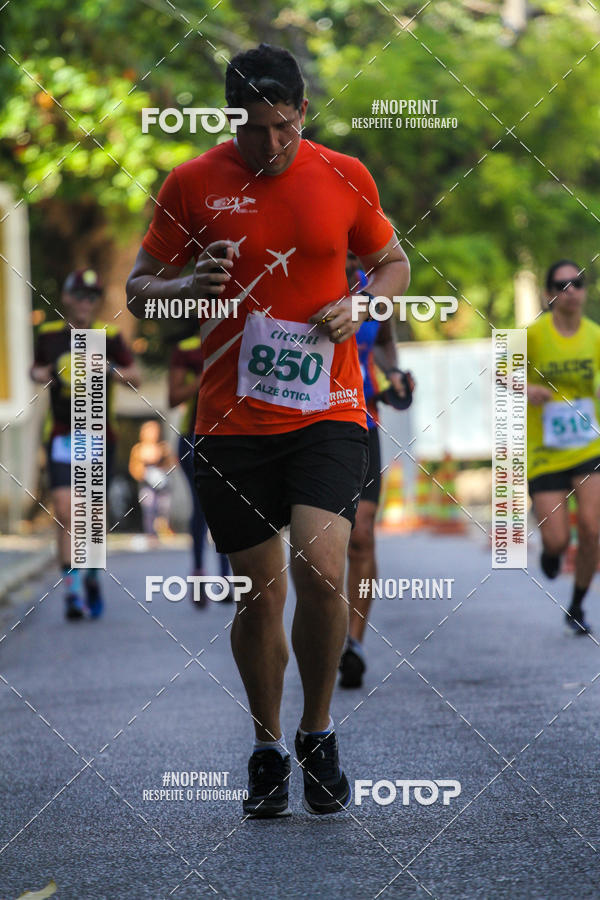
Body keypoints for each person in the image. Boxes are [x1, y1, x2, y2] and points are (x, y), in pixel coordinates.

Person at [126, 43, 410, 817]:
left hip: (328, 410)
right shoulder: (191, 184)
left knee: (323, 568)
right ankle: (265, 742)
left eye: (284, 126)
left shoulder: (345, 174)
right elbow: (139, 291)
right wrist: (185, 285)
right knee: (260, 593)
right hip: (229, 425)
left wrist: (365, 305)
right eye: (254, 130)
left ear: (304, 111)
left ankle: (318, 735)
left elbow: (391, 262)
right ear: (230, 121)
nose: (271, 145)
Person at [30, 269, 140, 619]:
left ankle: (91, 573)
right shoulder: (49, 335)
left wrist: (108, 370)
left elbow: (134, 374)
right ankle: (73, 591)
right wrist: (46, 374)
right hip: (61, 433)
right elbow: (35, 369)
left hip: (97, 433)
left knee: (92, 515)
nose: (85, 302)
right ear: (66, 297)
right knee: (65, 510)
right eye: (80, 294)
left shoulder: (106, 335)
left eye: (92, 296)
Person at [340, 252, 415, 688]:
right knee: (321, 546)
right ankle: (324, 633)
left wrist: (394, 374)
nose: (355, 260)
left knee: (362, 534)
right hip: (308, 427)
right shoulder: (304, 275)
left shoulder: (373, 286)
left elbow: (383, 340)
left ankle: (354, 642)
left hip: (361, 421)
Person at [527, 259, 600, 635]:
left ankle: (576, 604)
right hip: (545, 450)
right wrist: (526, 388)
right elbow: (501, 371)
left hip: (589, 445)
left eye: (578, 283)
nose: (570, 291)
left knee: (592, 528)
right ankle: (552, 551)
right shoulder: (534, 335)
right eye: (561, 285)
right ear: (548, 294)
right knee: (558, 539)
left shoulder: (595, 335)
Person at [168, 336, 231, 606]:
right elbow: (172, 398)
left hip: (231, 434)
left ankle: (228, 580)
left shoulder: (237, 336)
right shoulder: (186, 348)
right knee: (200, 506)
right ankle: (198, 577)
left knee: (227, 507)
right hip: (192, 435)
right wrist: (205, 377)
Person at [128, 420, 176, 538]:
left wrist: (163, 461)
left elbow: (173, 464)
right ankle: (151, 535)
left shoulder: (163, 447)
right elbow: (133, 468)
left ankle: (163, 532)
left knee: (163, 508)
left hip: (163, 485)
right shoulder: (138, 449)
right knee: (149, 509)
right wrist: (143, 472)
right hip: (147, 485)